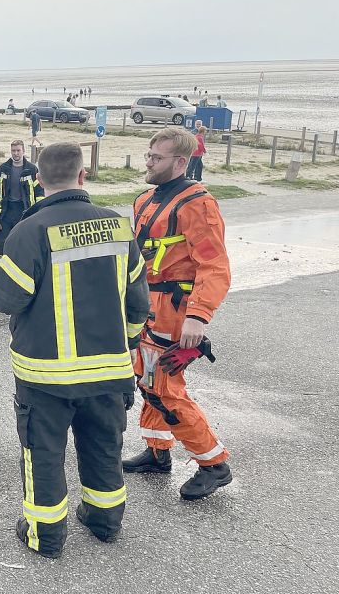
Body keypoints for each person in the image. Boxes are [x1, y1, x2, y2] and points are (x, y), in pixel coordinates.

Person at [0, 142, 150, 559]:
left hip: (47, 377)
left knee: (43, 455)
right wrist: (126, 346)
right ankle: (104, 522)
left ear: (38, 181)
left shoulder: (30, 231)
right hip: (110, 374)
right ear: (83, 176)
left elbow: (6, 298)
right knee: (103, 448)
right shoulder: (118, 227)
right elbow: (138, 307)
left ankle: (46, 536)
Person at [123, 127, 233, 501]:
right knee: (147, 381)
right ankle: (157, 452)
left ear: (180, 162)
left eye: (157, 157)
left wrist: (198, 317)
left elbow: (215, 265)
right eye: (148, 155)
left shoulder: (197, 204)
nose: (149, 162)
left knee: (165, 388)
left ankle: (213, 464)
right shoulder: (146, 200)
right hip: (146, 309)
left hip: (176, 313)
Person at [0, 139, 44, 256]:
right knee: (1, 241)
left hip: (24, 212)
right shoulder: (2, 169)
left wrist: (39, 210)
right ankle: (5, 265)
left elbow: (39, 191)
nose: (16, 153)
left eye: (18, 150)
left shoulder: (32, 170)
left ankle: (19, 266)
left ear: (23, 151)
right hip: (5, 211)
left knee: (23, 242)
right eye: (13, 151)